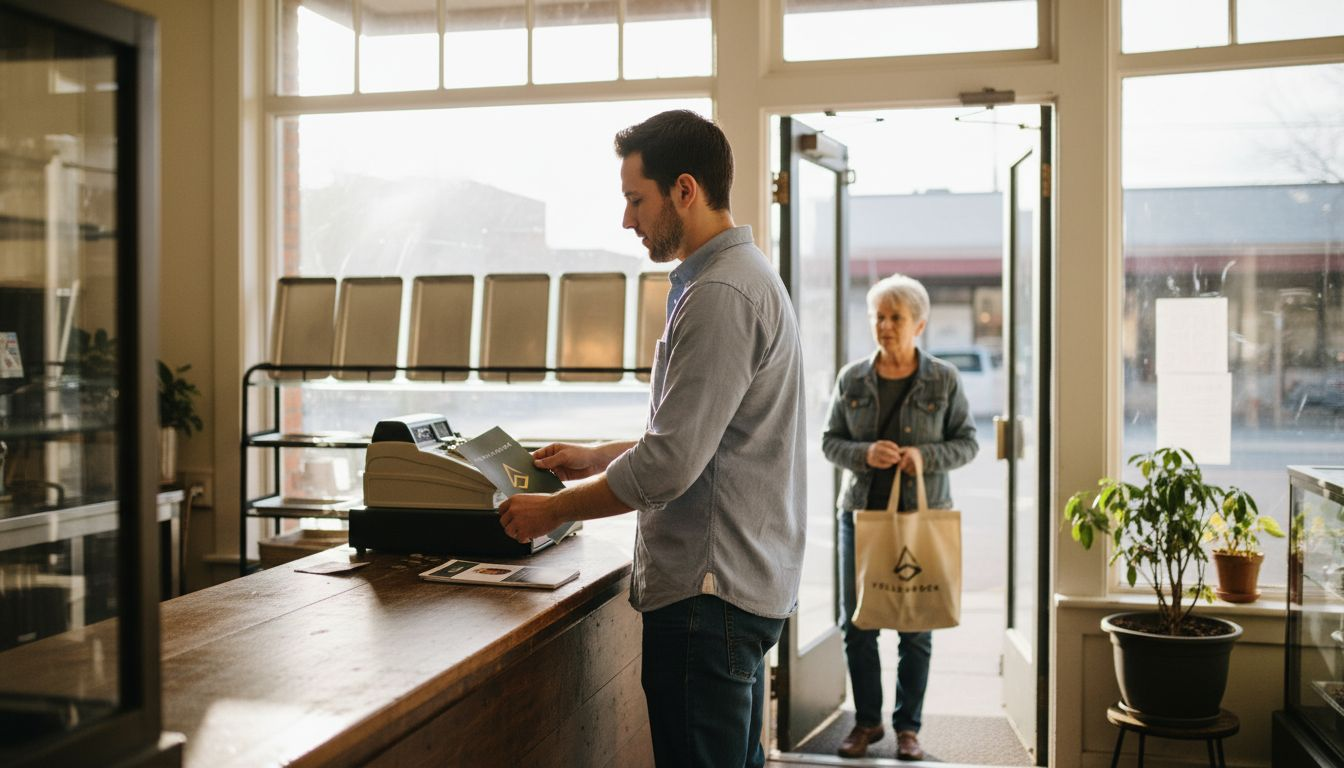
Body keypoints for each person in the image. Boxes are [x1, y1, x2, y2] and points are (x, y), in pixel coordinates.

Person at [497, 109, 807, 768]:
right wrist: (597, 456)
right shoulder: (730, 279)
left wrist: (549, 510)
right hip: (726, 590)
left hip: (708, 596)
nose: (627, 220)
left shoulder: (722, 294)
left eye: (637, 199)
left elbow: (669, 465)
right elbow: (697, 434)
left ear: (685, 190)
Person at [822, 274, 978, 761]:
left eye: (895, 317)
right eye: (878, 317)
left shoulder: (943, 379)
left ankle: (908, 727)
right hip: (861, 515)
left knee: (917, 625)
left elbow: (968, 442)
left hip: (920, 518)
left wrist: (922, 457)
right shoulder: (853, 379)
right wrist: (865, 453)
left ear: (920, 323)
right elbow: (830, 442)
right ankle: (867, 722)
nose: (885, 326)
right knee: (859, 622)